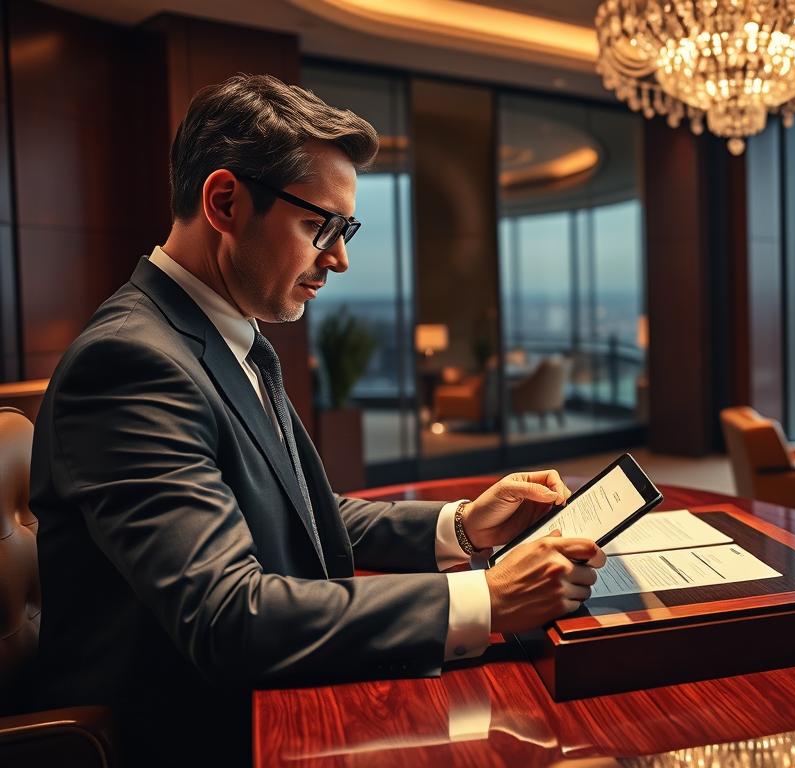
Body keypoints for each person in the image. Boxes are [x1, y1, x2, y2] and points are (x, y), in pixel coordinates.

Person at [27, 73, 604, 766]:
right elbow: (227, 616)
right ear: (224, 201)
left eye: (344, 227)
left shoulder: (223, 337)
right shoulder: (128, 363)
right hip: (194, 731)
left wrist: (461, 526)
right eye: (318, 225)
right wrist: (486, 598)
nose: (339, 257)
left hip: (262, 699)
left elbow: (300, 511)